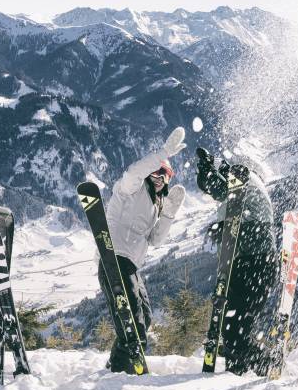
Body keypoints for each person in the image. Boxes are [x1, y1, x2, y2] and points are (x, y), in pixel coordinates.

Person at [103, 127, 187, 373]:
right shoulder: (130, 188)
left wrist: (169, 213)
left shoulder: (154, 204)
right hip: (115, 256)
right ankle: (124, 367)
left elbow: (155, 239)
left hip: (131, 264)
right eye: (157, 173)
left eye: (166, 175)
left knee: (145, 317)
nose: (160, 178)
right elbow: (133, 171)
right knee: (131, 316)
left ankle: (116, 363)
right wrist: (163, 153)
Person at [195, 146, 279, 375]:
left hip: (256, 265)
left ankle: (269, 366)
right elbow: (226, 191)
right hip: (249, 266)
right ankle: (237, 373)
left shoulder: (247, 182)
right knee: (234, 328)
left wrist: (206, 175)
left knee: (234, 330)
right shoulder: (246, 189)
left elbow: (221, 187)